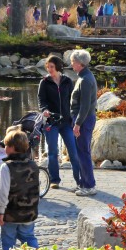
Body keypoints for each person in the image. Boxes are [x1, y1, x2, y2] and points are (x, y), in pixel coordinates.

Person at [38, 55, 81, 189]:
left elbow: (73, 100)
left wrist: (75, 117)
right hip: (51, 122)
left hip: (66, 122)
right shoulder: (44, 82)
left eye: (52, 66)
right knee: (52, 152)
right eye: (48, 67)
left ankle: (79, 180)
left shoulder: (67, 81)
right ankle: (55, 180)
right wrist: (44, 110)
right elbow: (41, 101)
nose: (49, 69)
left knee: (73, 151)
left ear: (57, 66)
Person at [0, 130, 40, 250]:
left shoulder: (6, 167)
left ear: (12, 148)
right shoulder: (33, 165)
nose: (4, 148)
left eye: (6, 146)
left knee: (9, 241)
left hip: (11, 213)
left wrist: (0, 213)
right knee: (29, 237)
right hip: (29, 212)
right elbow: (36, 190)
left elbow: (2, 193)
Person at [70, 50, 98, 197]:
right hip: (82, 118)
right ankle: (83, 183)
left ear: (80, 63)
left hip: (84, 119)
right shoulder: (84, 76)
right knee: (81, 152)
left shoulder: (86, 80)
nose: (71, 63)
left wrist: (78, 123)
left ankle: (90, 185)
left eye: (73, 61)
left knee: (83, 152)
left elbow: (85, 106)